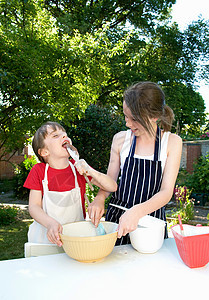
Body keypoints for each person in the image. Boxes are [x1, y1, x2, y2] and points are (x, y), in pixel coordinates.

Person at [88, 81, 182, 245]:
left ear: (155, 116)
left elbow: (166, 192)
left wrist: (137, 212)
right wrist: (100, 198)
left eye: (134, 119)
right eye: (125, 116)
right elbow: (110, 182)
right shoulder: (120, 140)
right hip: (117, 220)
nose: (128, 123)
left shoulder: (172, 142)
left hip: (151, 224)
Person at [24, 121, 117, 247]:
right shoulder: (39, 171)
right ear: (44, 152)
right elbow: (34, 207)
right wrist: (50, 223)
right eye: (55, 135)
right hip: (44, 242)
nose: (64, 136)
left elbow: (112, 186)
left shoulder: (78, 167)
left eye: (64, 134)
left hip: (75, 241)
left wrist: (90, 171)